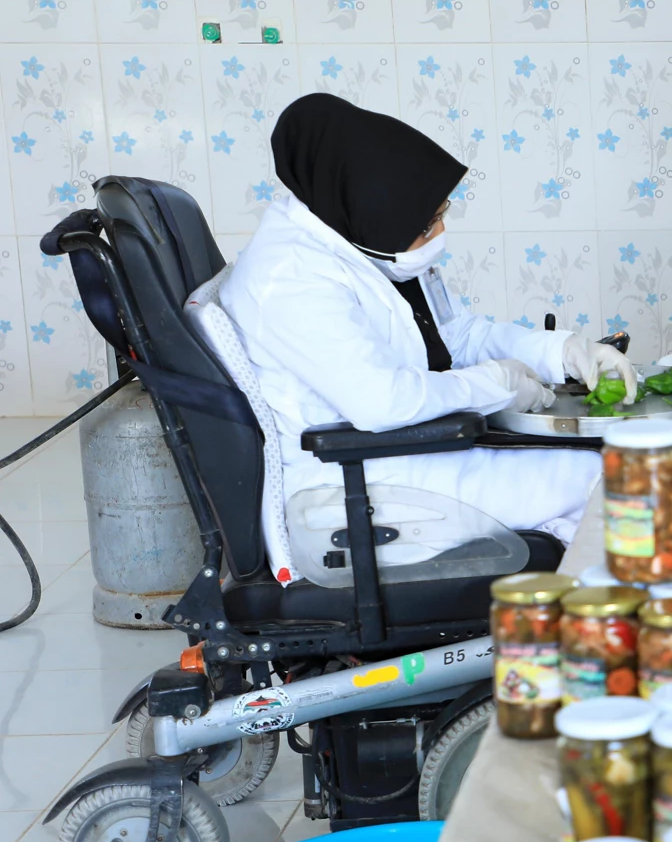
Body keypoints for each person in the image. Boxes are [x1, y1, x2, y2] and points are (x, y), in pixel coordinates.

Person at [215, 94, 628, 548]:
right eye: (428, 224)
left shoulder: (362, 239)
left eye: (440, 216)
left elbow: (455, 335)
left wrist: (564, 353)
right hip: (357, 485)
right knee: (607, 480)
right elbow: (382, 402)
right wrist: (497, 384)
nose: (439, 234)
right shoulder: (290, 278)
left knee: (600, 471)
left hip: (406, 452)